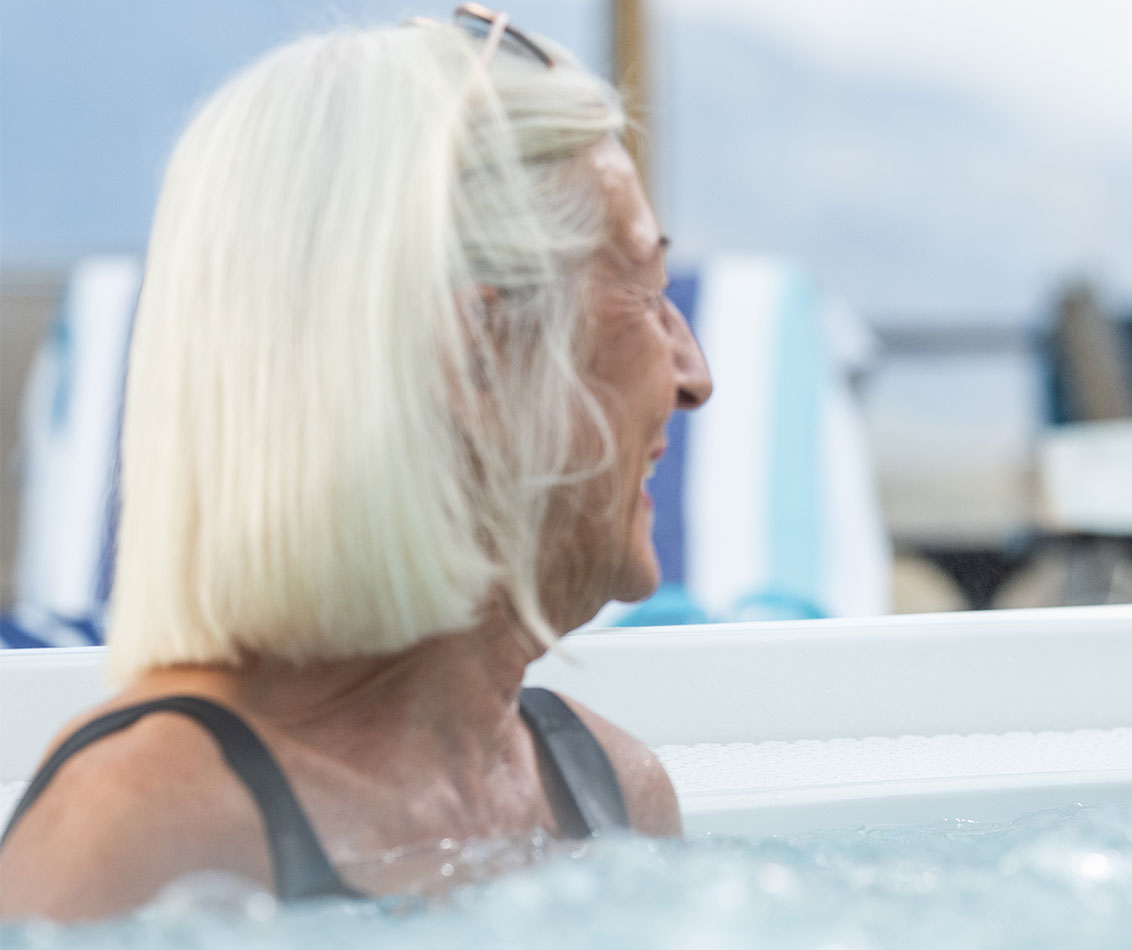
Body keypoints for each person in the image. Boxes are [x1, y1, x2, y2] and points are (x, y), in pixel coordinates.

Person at [0, 5, 710, 920]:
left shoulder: (612, 795)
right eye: (643, 291)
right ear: (477, 356)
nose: (694, 374)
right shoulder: (141, 842)